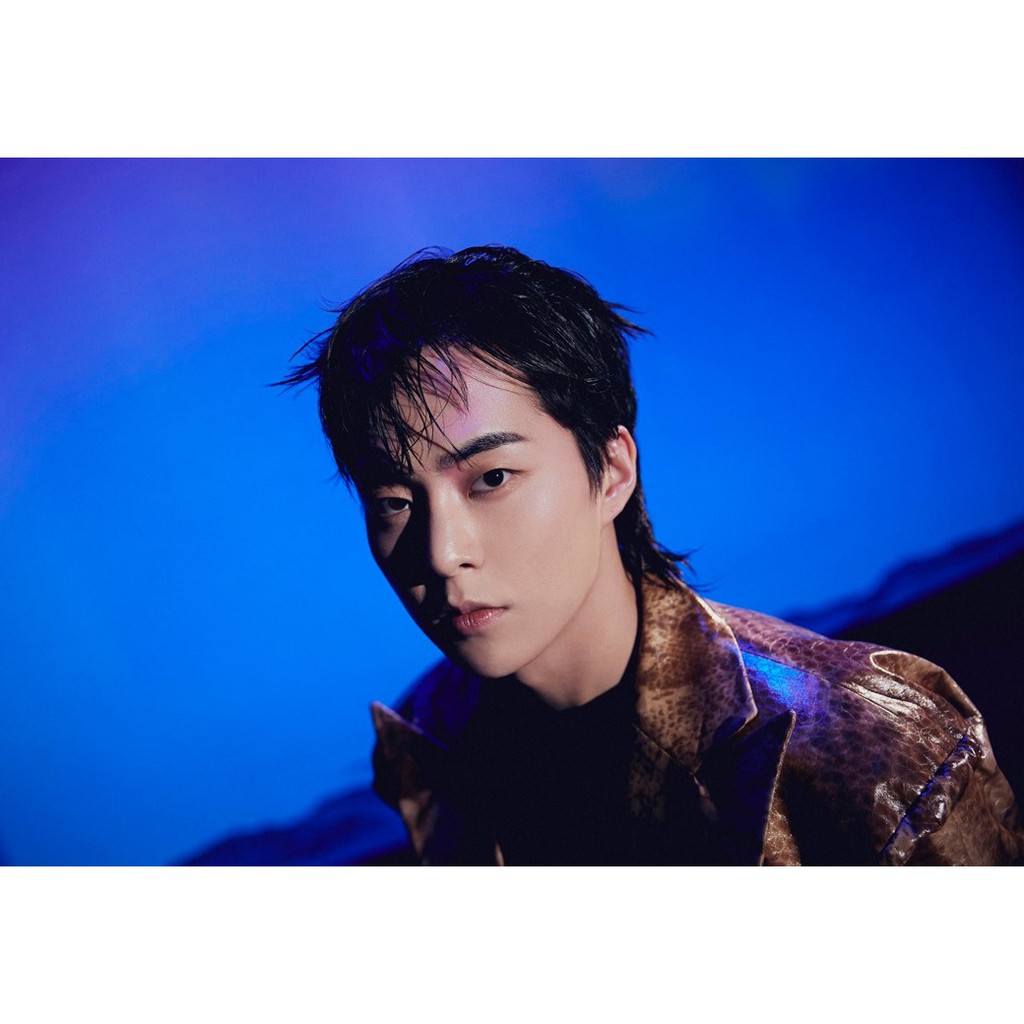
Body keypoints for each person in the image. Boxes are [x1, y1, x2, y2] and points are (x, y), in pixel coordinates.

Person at [280, 244, 1023, 865]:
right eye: (393, 503)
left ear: (612, 471)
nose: (442, 553)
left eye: (493, 478)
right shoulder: (429, 740)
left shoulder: (874, 750)